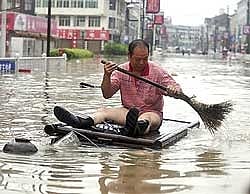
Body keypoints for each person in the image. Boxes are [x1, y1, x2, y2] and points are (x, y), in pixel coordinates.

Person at [54, 39, 182, 137]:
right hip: (128, 112)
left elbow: (175, 87)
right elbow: (107, 94)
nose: (142, 63)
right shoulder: (122, 70)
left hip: (151, 113)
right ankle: (82, 122)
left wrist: (173, 90)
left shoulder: (157, 71)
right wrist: (107, 75)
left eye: (145, 59)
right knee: (104, 111)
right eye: (138, 60)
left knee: (146, 119)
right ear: (129, 56)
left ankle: (136, 128)